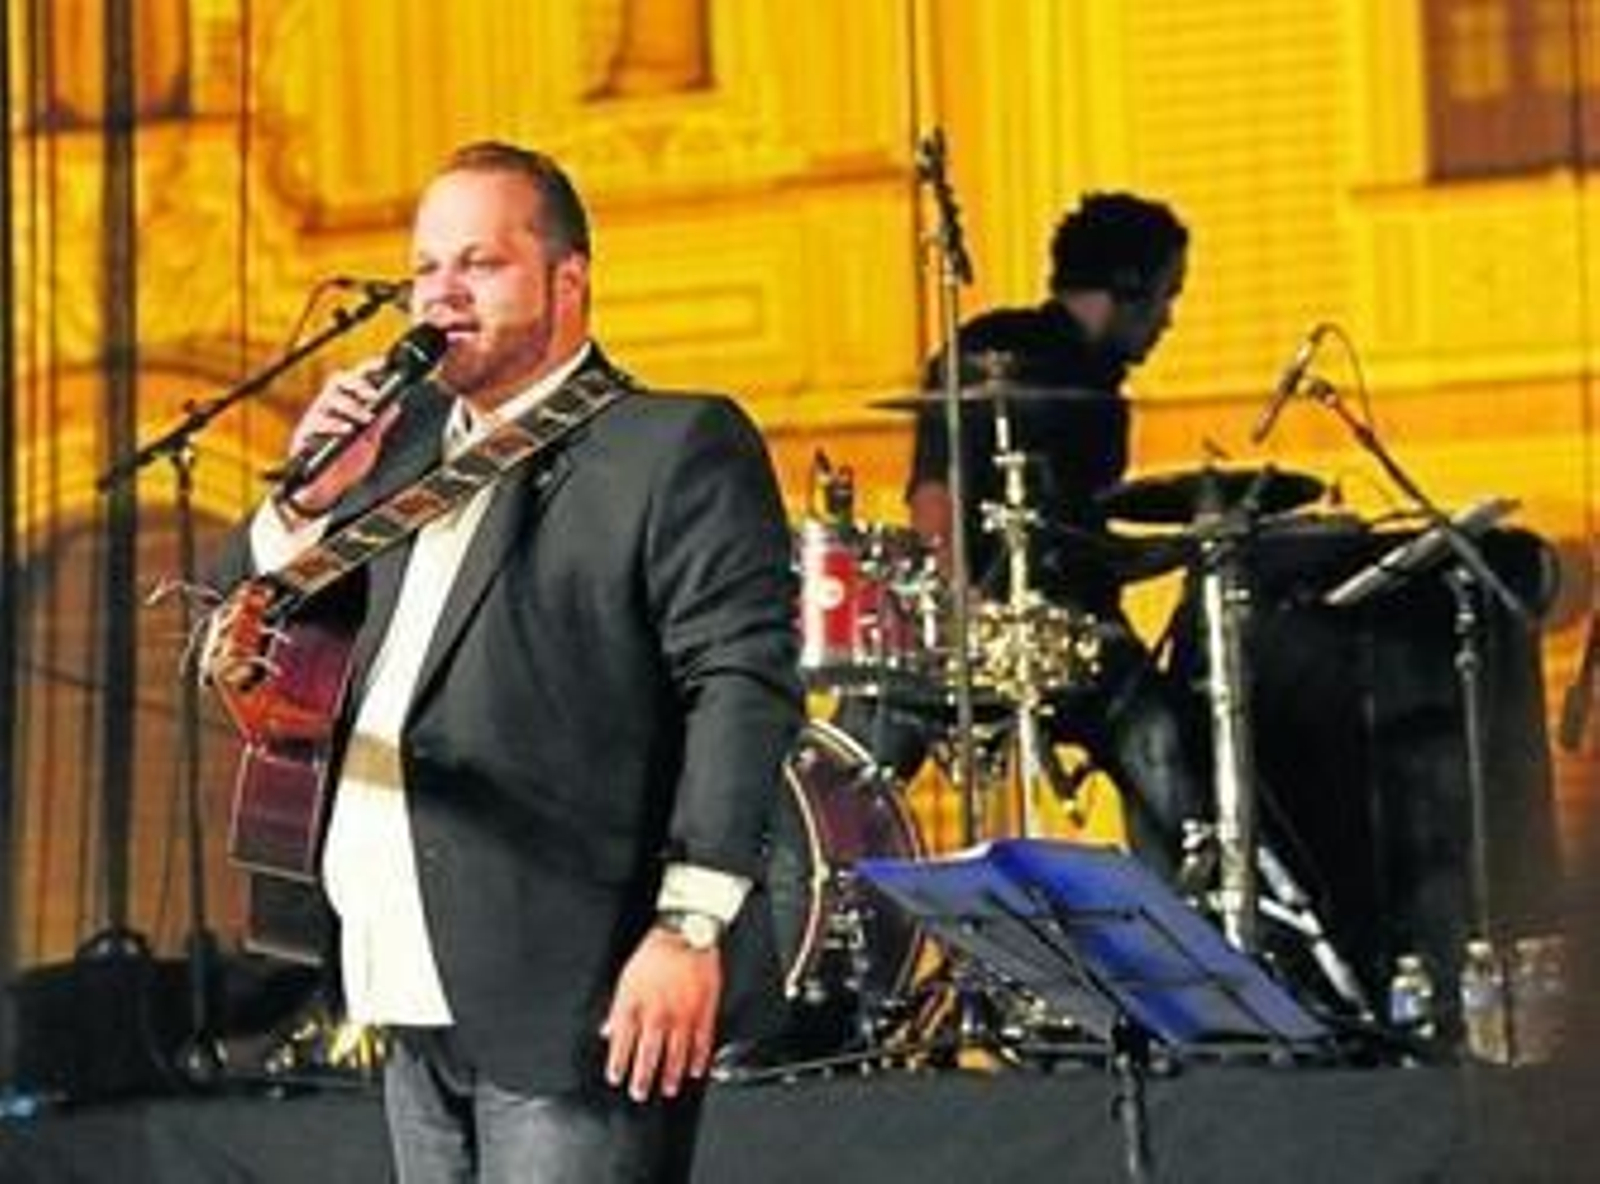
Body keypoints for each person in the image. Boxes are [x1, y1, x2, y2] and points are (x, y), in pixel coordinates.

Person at [212, 141, 803, 1182]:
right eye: (425, 268)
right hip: (402, 968)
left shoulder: (667, 445)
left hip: (578, 985)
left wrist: (690, 924)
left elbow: (740, 691)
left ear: (566, 280)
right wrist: (304, 500)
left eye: (477, 264)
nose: (440, 293)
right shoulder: (397, 451)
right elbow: (253, 627)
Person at [895, 190, 1201, 877]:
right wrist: (955, 598)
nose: (1168, 320)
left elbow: (1078, 543)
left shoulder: (1105, 391)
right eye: (1163, 296)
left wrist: (1184, 549)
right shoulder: (994, 353)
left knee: (1164, 738)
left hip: (1060, 628)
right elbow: (935, 496)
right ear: (1124, 288)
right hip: (992, 627)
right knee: (1164, 745)